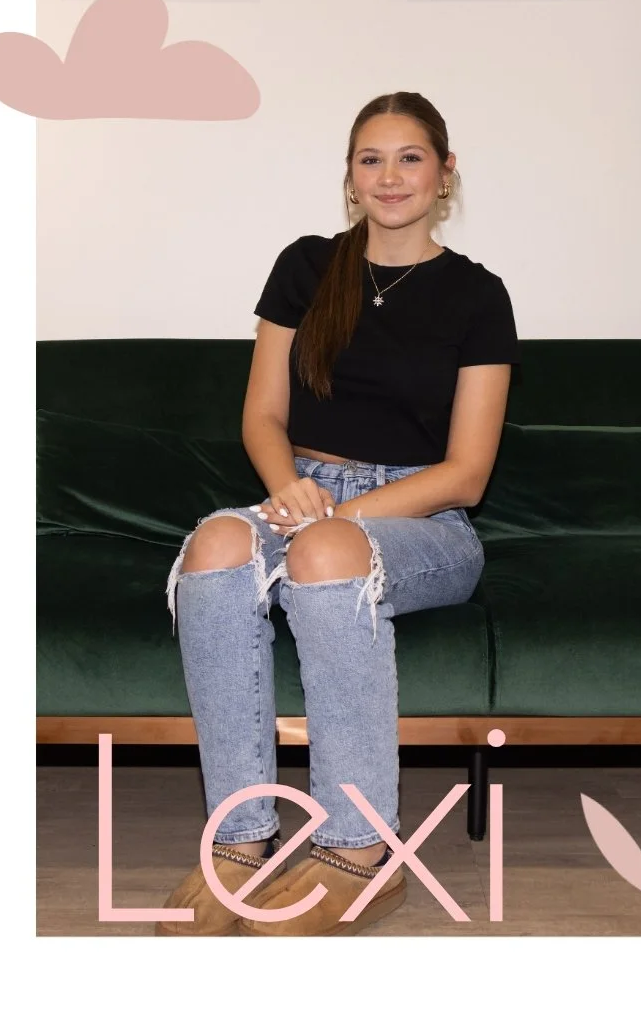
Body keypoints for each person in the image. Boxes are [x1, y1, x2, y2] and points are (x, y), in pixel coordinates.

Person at [158, 91, 519, 937]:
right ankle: (240, 843)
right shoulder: (306, 267)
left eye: (409, 157)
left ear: (444, 172)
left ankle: (361, 850)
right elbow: (262, 417)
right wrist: (290, 491)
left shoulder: (477, 296)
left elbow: (467, 475)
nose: (389, 176)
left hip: (423, 516)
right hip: (302, 492)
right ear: (350, 179)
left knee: (326, 553)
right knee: (214, 544)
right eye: (370, 159)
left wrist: (338, 522)